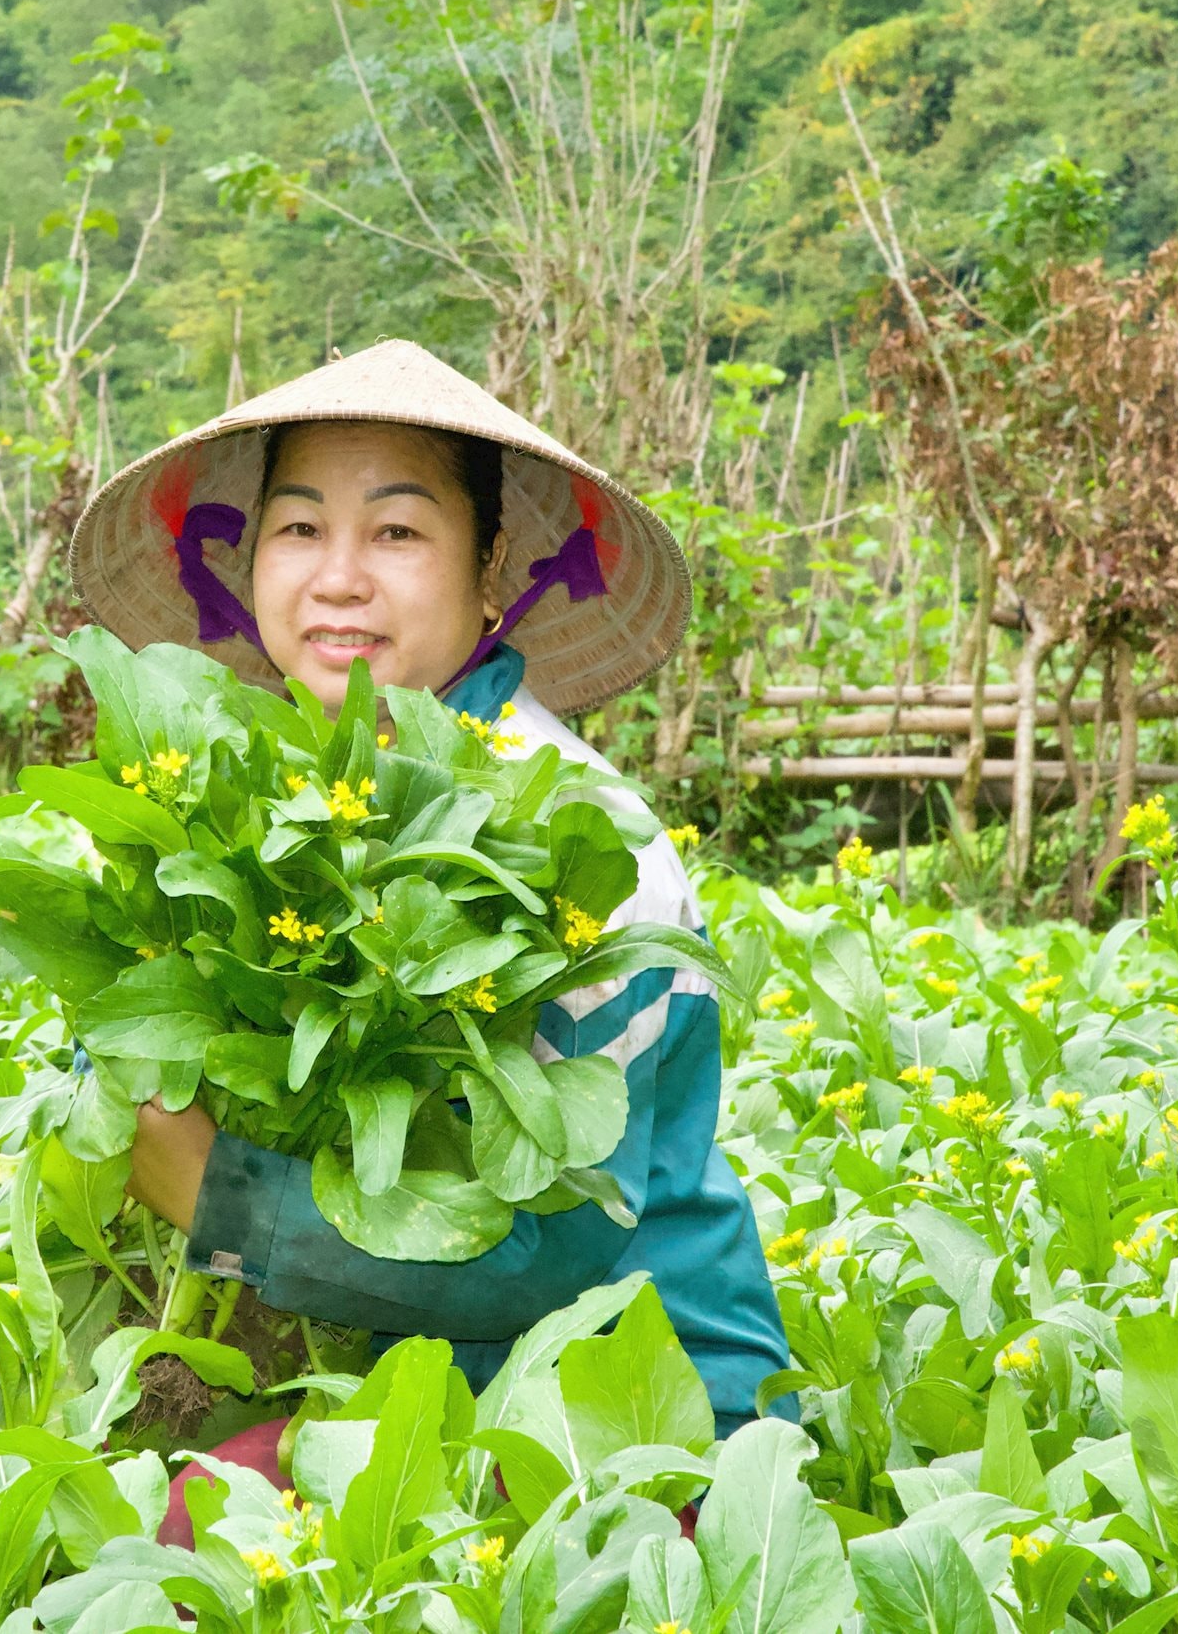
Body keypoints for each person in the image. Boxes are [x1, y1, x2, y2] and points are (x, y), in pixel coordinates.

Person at [65, 340, 790, 1477]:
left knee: (198, 1528)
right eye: (299, 528)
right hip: (369, 1376)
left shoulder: (583, 836)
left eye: (396, 532)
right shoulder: (258, 794)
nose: (338, 577)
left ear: (489, 563)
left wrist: (230, 1205)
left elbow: (555, 1251)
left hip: (623, 1408)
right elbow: (123, 1056)